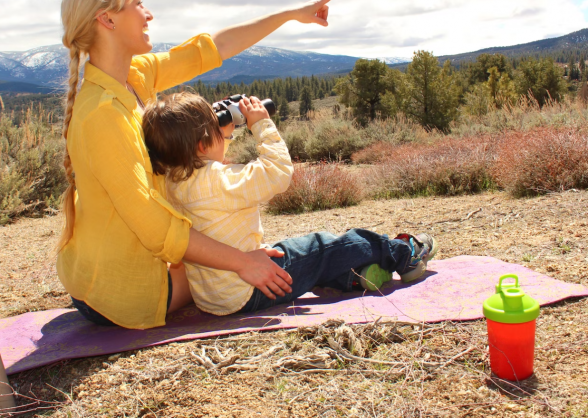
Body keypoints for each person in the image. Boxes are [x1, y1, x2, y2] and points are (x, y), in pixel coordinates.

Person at [55, 0, 339, 328]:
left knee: (233, 252)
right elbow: (153, 225)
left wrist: (289, 15)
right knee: (239, 274)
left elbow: (212, 48)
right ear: (107, 19)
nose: (148, 14)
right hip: (119, 289)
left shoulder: (133, 77)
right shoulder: (101, 114)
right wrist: (241, 261)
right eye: (138, 3)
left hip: (104, 271)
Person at [142, 92, 440, 316]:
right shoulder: (218, 180)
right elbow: (277, 172)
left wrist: (219, 130)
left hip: (215, 297)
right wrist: (261, 125)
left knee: (296, 253)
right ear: (203, 143)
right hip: (251, 289)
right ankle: (404, 255)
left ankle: (354, 277)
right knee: (322, 246)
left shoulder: (172, 182)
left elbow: (206, 156)